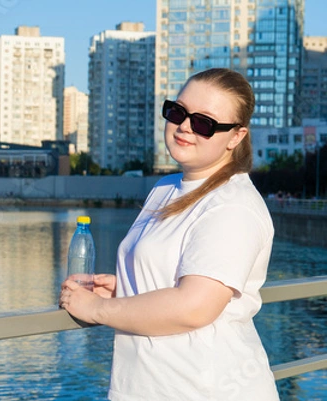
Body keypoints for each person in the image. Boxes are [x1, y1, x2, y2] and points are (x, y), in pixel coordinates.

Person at [59, 68, 279, 400]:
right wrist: (125, 288)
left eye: (204, 123)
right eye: (178, 112)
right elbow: (179, 275)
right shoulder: (166, 188)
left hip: (205, 389)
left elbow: (193, 306)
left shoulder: (233, 206)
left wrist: (95, 309)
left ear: (236, 136)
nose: (185, 126)